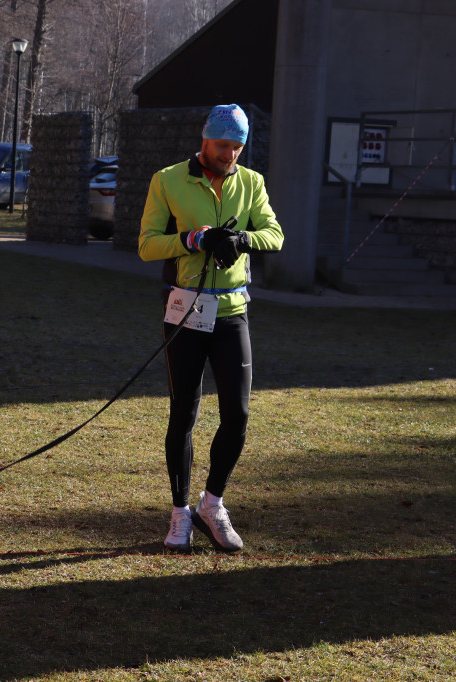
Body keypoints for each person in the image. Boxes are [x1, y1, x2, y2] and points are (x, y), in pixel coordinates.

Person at [138, 104, 285, 553]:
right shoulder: (167, 180)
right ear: (205, 141)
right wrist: (194, 239)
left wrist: (242, 240)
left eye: (239, 146)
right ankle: (179, 512)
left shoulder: (252, 182)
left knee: (237, 416)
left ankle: (212, 505)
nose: (231, 154)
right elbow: (146, 246)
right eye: (224, 145)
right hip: (185, 309)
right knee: (184, 412)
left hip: (231, 311)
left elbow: (274, 235)